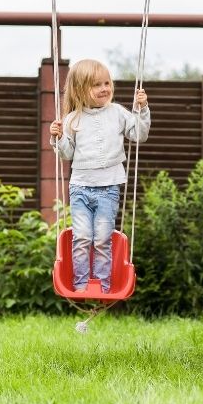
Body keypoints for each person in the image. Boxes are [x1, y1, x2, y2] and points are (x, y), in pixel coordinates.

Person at [49, 59, 150, 293]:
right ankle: (82, 284)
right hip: (80, 188)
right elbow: (67, 154)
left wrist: (141, 109)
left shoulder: (117, 113)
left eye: (107, 82)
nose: (104, 88)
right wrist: (58, 137)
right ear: (80, 89)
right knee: (82, 237)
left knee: (103, 239)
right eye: (97, 85)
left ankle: (102, 286)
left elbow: (139, 134)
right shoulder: (72, 119)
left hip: (109, 189)